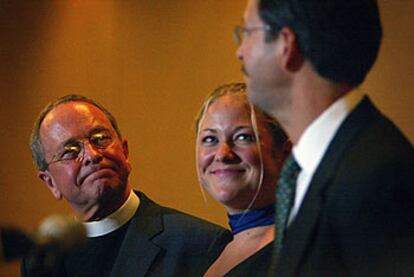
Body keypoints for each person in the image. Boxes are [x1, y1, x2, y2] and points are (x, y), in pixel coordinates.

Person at [236, 0, 414, 276]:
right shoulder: (309, 169)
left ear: (286, 45)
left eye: (247, 33)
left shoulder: (379, 177)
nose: (240, 52)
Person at [23, 94, 231, 277]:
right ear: (50, 182)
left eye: (100, 138)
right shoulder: (42, 262)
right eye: (70, 151)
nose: (93, 155)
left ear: (125, 152)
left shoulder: (200, 245)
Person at [195, 83, 290, 276]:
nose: (222, 154)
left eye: (243, 137)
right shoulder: (208, 253)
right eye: (210, 139)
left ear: (285, 153)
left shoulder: (301, 249)